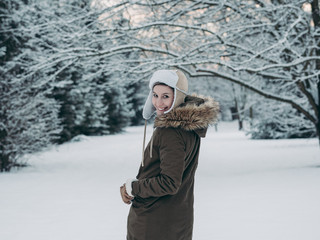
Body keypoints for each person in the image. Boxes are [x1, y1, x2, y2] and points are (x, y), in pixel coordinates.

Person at [120, 69, 219, 240]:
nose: (159, 102)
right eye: (155, 95)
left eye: (166, 96)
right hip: (176, 220)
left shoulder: (170, 132)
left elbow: (170, 182)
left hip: (154, 223)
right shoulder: (188, 128)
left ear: (178, 96)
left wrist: (133, 188)